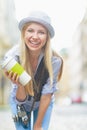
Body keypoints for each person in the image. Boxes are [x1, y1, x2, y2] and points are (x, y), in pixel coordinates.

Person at [3, 11, 63, 130]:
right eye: (30, 30)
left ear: (47, 37)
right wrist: (20, 85)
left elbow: (47, 95)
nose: (35, 36)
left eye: (41, 32)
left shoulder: (55, 61)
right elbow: (20, 100)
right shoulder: (13, 57)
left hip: (43, 101)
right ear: (24, 33)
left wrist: (38, 125)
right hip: (19, 102)